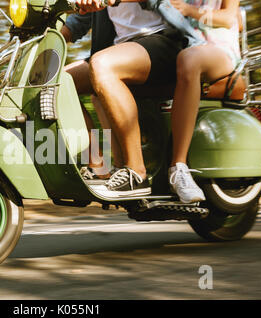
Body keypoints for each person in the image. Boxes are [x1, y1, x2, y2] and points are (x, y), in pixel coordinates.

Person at [67, 0, 187, 196]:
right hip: (122, 50)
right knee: (59, 81)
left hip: (164, 41)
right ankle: (99, 167)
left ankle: (136, 173)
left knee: (102, 64)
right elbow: (79, 19)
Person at [167, 0, 241, 203]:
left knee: (189, 60)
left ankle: (178, 167)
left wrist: (190, 10)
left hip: (219, 50)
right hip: (186, 45)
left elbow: (229, 18)